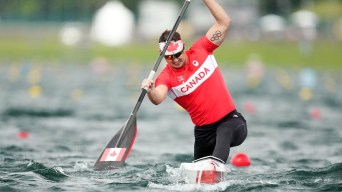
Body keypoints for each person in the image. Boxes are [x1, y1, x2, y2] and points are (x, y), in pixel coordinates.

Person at [141, 0, 247, 164]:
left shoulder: (202, 48)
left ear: (183, 46)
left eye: (177, 54)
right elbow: (157, 98)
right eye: (169, 57)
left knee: (224, 131)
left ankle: (215, 166)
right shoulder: (166, 77)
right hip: (203, 133)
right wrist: (150, 90)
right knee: (198, 180)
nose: (175, 60)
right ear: (162, 56)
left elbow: (224, 22)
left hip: (232, 122)